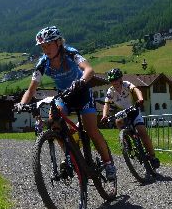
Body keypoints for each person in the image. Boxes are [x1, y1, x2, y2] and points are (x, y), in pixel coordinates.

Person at [18, 26, 117, 180]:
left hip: (82, 91)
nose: (45, 50)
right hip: (64, 95)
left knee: (91, 129)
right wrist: (21, 104)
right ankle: (71, 155)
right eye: (43, 47)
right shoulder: (43, 63)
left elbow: (89, 70)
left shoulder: (70, 53)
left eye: (48, 45)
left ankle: (108, 163)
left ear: (58, 42)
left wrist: (81, 81)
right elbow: (31, 89)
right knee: (54, 122)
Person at [101, 68, 160, 172]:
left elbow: (136, 90)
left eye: (116, 79)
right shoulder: (111, 91)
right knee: (118, 122)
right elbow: (106, 104)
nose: (114, 82)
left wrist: (140, 98)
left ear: (120, 79)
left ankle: (152, 156)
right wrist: (104, 115)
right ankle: (126, 141)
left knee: (142, 132)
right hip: (122, 113)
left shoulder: (126, 84)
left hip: (133, 110)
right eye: (112, 80)